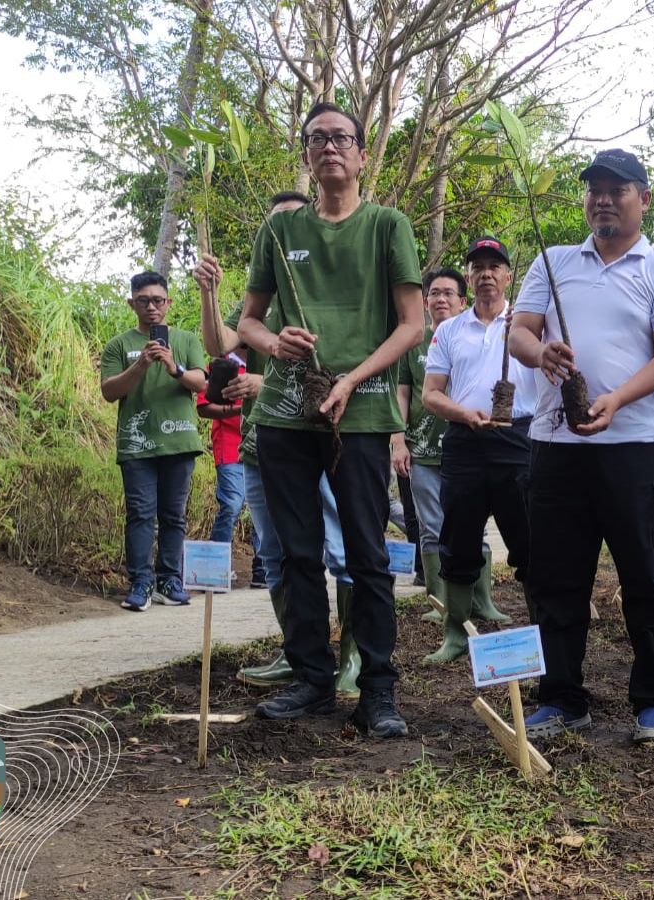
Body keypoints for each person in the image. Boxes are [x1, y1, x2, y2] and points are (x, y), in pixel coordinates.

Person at [237, 101, 424, 738]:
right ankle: (312, 677)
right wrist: (271, 344)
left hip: (364, 413)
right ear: (307, 154)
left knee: (369, 555)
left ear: (363, 153)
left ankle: (377, 688)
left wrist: (351, 378)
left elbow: (412, 324)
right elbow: (247, 321)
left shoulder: (386, 225)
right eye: (317, 139)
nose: (329, 147)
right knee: (294, 553)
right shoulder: (281, 231)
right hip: (287, 413)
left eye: (342, 137)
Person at [509, 148, 654, 744]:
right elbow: (519, 330)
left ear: (644, 198)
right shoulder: (552, 260)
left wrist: (616, 399)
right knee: (556, 577)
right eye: (595, 189)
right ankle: (562, 697)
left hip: (636, 445)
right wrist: (541, 354)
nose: (604, 199)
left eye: (618, 189)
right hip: (556, 443)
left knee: (648, 575)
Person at [195, 194, 361, 694]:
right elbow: (218, 345)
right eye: (276, 224)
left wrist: (263, 384)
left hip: (320, 439)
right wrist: (208, 291)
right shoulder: (260, 301)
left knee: (339, 548)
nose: (286, 231)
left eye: (294, 220)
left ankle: (351, 658)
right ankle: (299, 654)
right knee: (274, 552)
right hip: (259, 446)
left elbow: (340, 371)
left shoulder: (331, 294)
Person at [420, 237, 537, 663]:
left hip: (517, 440)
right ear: (468, 277)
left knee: (527, 534)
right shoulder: (449, 331)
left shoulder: (527, 327)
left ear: (508, 276)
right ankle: (455, 631)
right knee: (458, 533)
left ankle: (540, 628)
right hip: (464, 442)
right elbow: (430, 395)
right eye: (478, 266)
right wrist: (464, 413)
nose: (486, 273)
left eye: (495, 266)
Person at [100, 272, 208, 611]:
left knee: (174, 515)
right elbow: (108, 391)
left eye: (158, 300)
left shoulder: (187, 340)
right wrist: (142, 364)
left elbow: (201, 384)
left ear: (168, 302)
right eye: (143, 300)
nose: (151, 307)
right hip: (136, 446)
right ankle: (141, 582)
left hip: (179, 442)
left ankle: (169, 579)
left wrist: (174, 367)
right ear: (132, 303)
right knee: (140, 514)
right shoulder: (119, 345)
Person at [196, 351, 246, 545]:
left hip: (264, 445)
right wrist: (239, 409)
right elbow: (203, 406)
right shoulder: (223, 365)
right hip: (230, 446)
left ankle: (263, 569)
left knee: (265, 510)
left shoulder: (268, 361)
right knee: (232, 504)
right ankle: (215, 562)